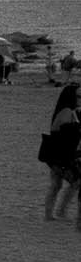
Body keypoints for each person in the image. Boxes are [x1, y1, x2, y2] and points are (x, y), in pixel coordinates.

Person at [42, 83, 80, 228]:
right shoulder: (67, 112)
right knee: (73, 183)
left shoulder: (69, 111)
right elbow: (65, 136)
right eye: (78, 96)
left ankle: (51, 214)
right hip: (61, 155)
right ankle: (58, 212)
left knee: (57, 184)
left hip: (56, 155)